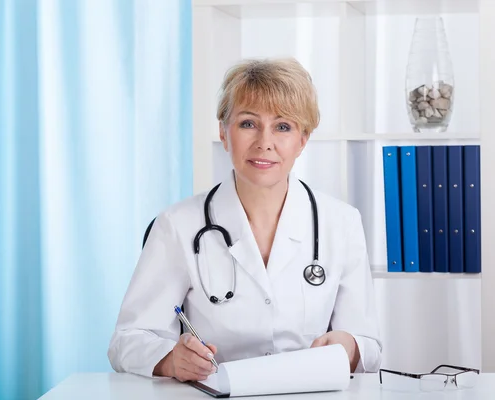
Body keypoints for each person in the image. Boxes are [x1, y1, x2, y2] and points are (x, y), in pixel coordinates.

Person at [108, 58, 382, 382]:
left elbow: (368, 345)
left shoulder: (342, 223)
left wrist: (348, 346)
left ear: (302, 140)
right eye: (248, 123)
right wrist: (170, 360)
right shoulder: (177, 225)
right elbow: (127, 339)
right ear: (224, 133)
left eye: (283, 126)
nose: (264, 142)